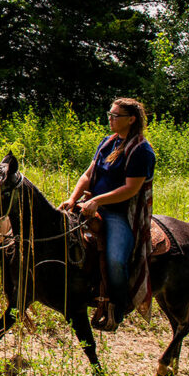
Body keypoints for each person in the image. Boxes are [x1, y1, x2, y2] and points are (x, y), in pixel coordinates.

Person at [59, 97, 156, 331]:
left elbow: (130, 189)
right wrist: (73, 199)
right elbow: (87, 174)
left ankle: (118, 306)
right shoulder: (107, 142)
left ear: (131, 120)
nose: (110, 119)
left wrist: (97, 200)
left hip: (119, 213)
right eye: (109, 114)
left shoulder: (141, 150)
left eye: (116, 115)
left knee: (115, 259)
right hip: (90, 206)